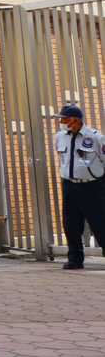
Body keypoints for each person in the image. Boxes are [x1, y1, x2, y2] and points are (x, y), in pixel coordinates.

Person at [52, 104, 105, 269]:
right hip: (69, 185)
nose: (62, 122)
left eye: (64, 119)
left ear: (75, 120)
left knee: (99, 222)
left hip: (92, 186)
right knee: (71, 224)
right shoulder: (60, 137)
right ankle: (75, 259)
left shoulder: (95, 137)